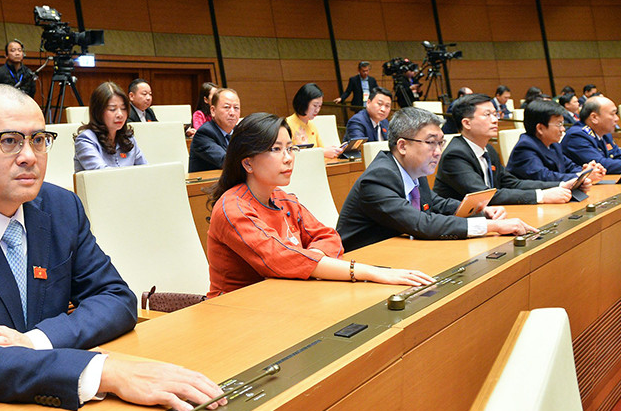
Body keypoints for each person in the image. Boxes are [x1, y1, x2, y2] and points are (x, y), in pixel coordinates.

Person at [0, 84, 225, 411]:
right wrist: (101, 371)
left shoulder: (60, 207)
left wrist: (36, 341)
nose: (29, 157)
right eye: (9, 141)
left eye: (39, 140)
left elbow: (116, 298)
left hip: (41, 402)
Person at [206, 113, 432, 297]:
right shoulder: (233, 208)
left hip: (286, 298)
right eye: (276, 149)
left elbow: (330, 237)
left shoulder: (283, 198)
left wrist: (309, 258)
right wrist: (372, 272)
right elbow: (279, 259)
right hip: (236, 309)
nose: (288, 158)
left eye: (290, 148)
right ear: (247, 163)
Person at [335, 107, 536, 252]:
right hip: (364, 260)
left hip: (401, 251)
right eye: (431, 143)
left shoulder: (414, 170)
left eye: (441, 143)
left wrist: (481, 211)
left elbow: (436, 204)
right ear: (402, 146)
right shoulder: (378, 178)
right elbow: (421, 223)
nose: (438, 151)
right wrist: (492, 227)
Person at [433, 94, 570, 205]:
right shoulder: (456, 154)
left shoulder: (488, 149)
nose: (495, 120)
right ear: (467, 123)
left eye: (495, 114)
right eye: (487, 115)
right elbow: (484, 196)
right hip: (458, 222)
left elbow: (512, 183)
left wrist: (560, 185)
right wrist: (541, 196)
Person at [506, 99, 605, 185]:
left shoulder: (553, 145)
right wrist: (580, 176)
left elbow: (570, 167)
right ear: (540, 128)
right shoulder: (525, 148)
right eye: (559, 124)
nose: (563, 129)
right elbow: (544, 177)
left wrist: (589, 170)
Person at [74, 81, 147, 171]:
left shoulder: (128, 138)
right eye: (112, 109)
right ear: (98, 111)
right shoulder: (86, 139)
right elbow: (103, 174)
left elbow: (145, 170)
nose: (120, 114)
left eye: (123, 108)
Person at [189, 88, 241, 173]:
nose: (232, 113)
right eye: (227, 107)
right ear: (213, 110)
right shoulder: (204, 133)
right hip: (208, 181)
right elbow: (225, 161)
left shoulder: (240, 131)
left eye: (236, 108)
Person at [285, 83, 344, 158]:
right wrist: (322, 152)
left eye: (319, 106)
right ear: (303, 103)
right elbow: (288, 153)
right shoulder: (287, 125)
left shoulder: (311, 124)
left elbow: (321, 148)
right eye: (315, 105)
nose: (317, 110)